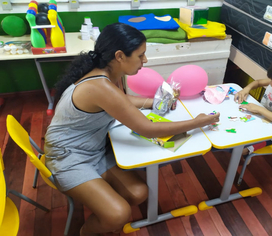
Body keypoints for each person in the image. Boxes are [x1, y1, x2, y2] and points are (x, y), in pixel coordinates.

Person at [44, 22, 220, 236]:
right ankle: (85, 232)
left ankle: (102, 203)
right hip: (68, 158)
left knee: (138, 193)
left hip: (94, 149)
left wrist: (152, 102)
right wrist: (198, 122)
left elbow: (121, 100)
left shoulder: (106, 73)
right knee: (118, 214)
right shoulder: (99, 86)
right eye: (140, 55)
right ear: (120, 56)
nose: (144, 61)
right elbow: (147, 128)